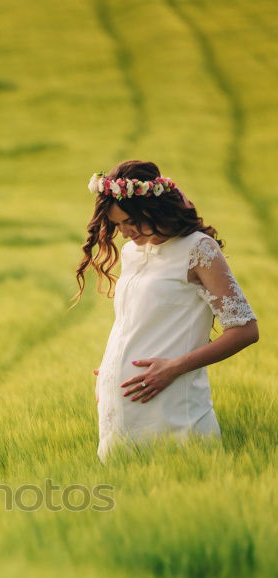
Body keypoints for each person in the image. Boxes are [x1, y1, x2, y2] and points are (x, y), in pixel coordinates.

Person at [73, 159, 259, 463]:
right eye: (116, 224)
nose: (122, 233)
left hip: (174, 411)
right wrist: (110, 367)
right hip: (120, 415)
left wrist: (174, 366)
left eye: (127, 222)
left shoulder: (198, 249)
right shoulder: (134, 252)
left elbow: (245, 330)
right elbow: (135, 322)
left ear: (152, 210)